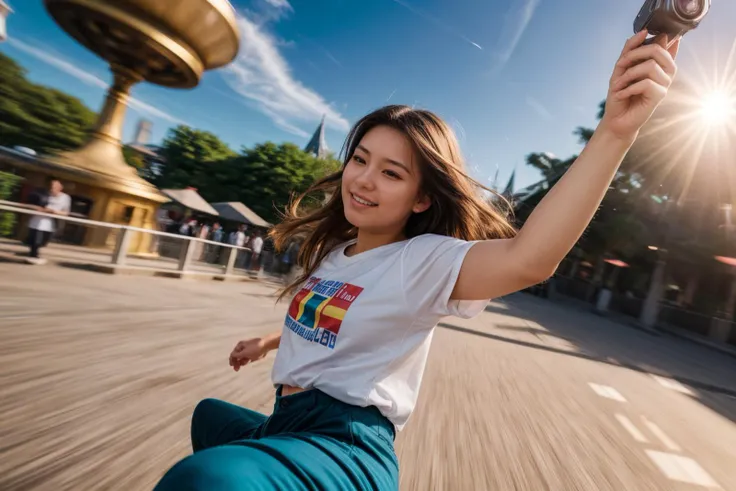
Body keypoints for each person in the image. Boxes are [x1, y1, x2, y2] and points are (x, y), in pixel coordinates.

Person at [154, 31, 679, 490]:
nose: (363, 179)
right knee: (210, 420)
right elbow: (333, 323)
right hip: (287, 420)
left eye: (391, 172)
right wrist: (269, 341)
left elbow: (529, 259)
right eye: (360, 159)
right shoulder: (339, 253)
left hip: (345, 444)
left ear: (422, 198)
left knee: (205, 478)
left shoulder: (422, 260)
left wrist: (615, 132)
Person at [24, 179, 71, 264]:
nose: (52, 189)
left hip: (51, 223)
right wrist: (39, 209)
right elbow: (29, 205)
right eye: (51, 187)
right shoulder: (41, 194)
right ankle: (33, 254)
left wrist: (54, 211)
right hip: (37, 221)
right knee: (36, 239)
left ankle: (34, 252)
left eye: (55, 187)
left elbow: (66, 212)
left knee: (44, 241)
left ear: (60, 188)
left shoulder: (65, 198)